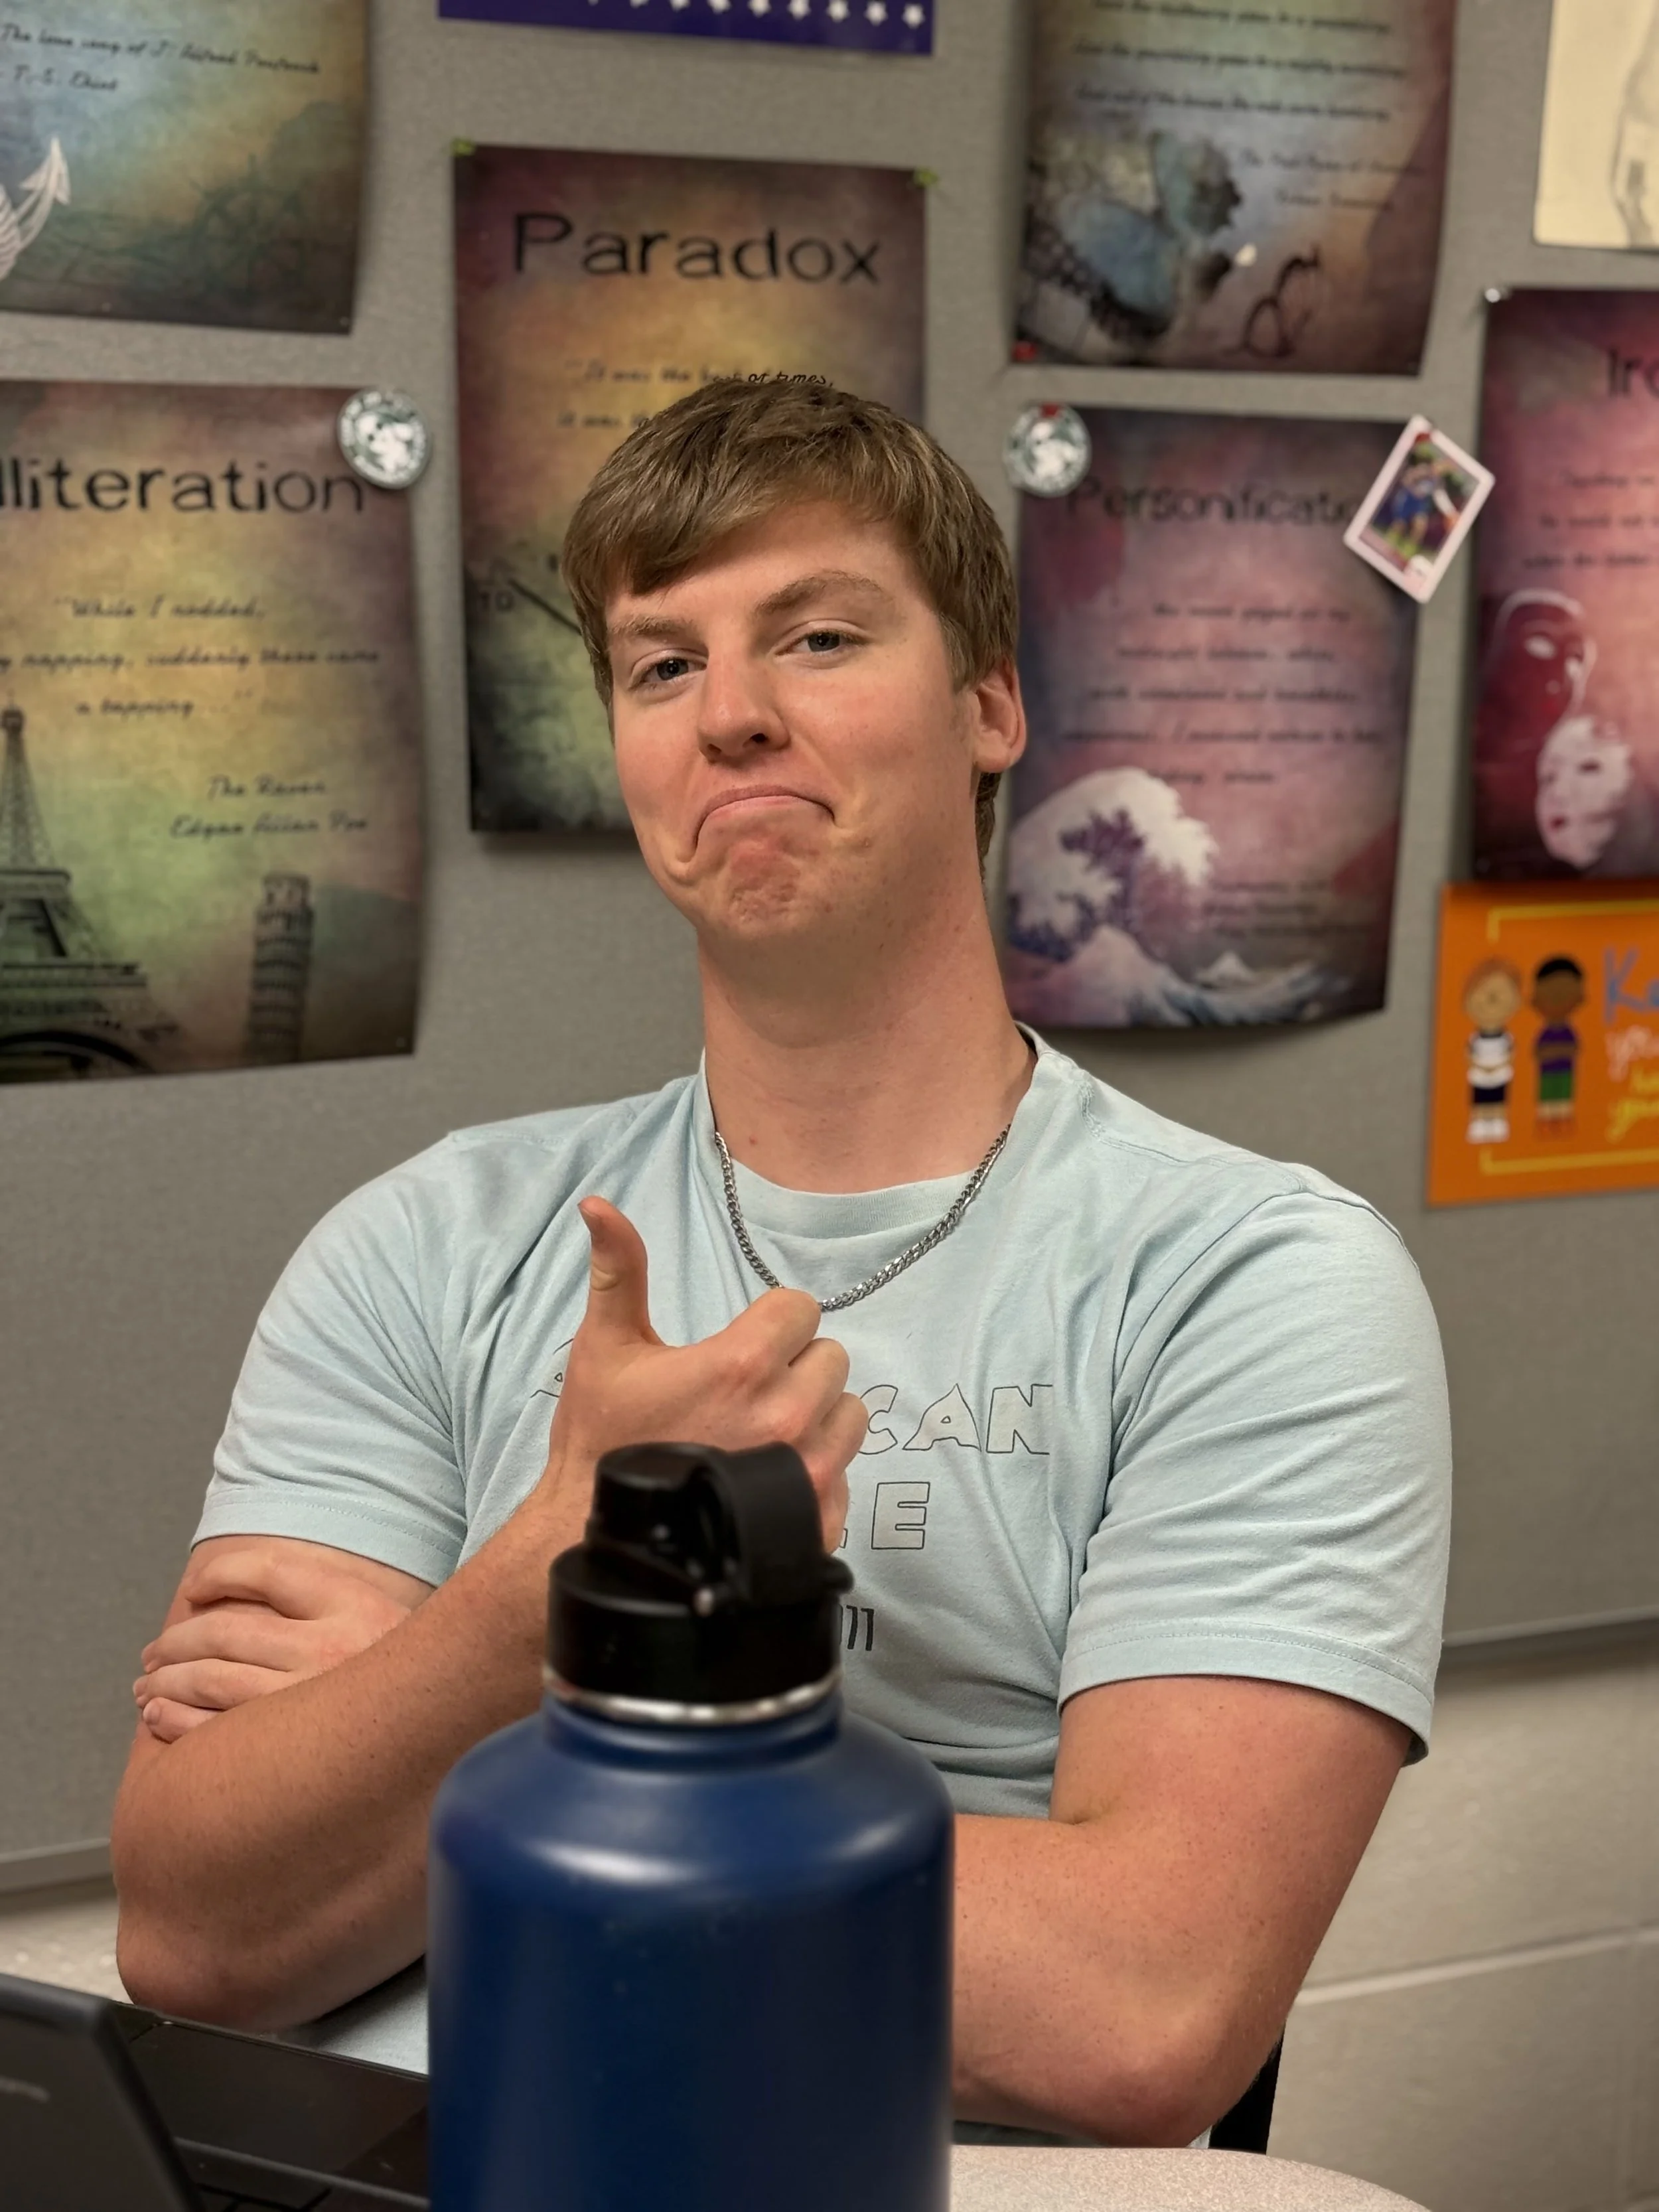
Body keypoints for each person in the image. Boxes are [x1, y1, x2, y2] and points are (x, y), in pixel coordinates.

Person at [112, 378, 1451, 2149]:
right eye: (660, 666)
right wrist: (530, 1592)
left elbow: (1140, 2002)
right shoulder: (423, 1242)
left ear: (986, 702)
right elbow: (197, 1928)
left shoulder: (1246, 1281)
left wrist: (461, 1705)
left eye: (815, 635)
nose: (730, 715)